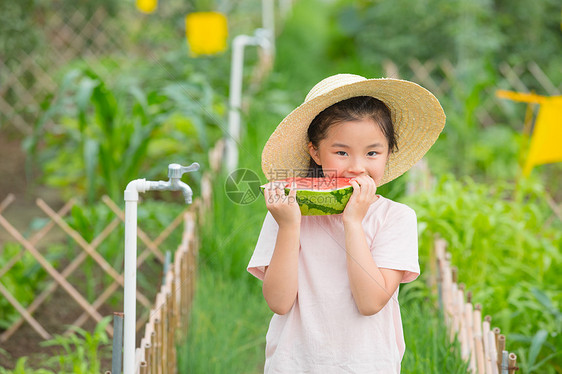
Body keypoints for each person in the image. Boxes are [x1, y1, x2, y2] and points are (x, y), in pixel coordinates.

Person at [247, 74, 445, 373]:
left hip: (367, 365)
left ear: (389, 152)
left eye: (372, 153)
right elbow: (279, 302)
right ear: (315, 151)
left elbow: (370, 302)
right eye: (341, 152)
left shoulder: (395, 218)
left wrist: (353, 223)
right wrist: (289, 227)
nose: (356, 166)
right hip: (294, 364)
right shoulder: (286, 213)